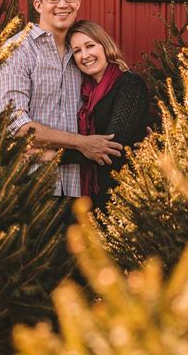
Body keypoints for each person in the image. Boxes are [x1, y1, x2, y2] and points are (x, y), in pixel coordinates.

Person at [0, 0, 123, 203]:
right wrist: (82, 143)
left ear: (78, 3)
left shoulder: (81, 55)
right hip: (25, 185)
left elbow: (103, 105)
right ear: (38, 5)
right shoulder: (17, 51)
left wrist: (136, 132)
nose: (63, 4)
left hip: (78, 188)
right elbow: (13, 125)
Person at [62, 20, 149, 212]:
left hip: (123, 195)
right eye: (77, 51)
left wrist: (53, 156)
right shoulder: (84, 93)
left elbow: (112, 147)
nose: (85, 55)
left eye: (90, 46)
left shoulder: (129, 85)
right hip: (89, 199)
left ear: (105, 45)